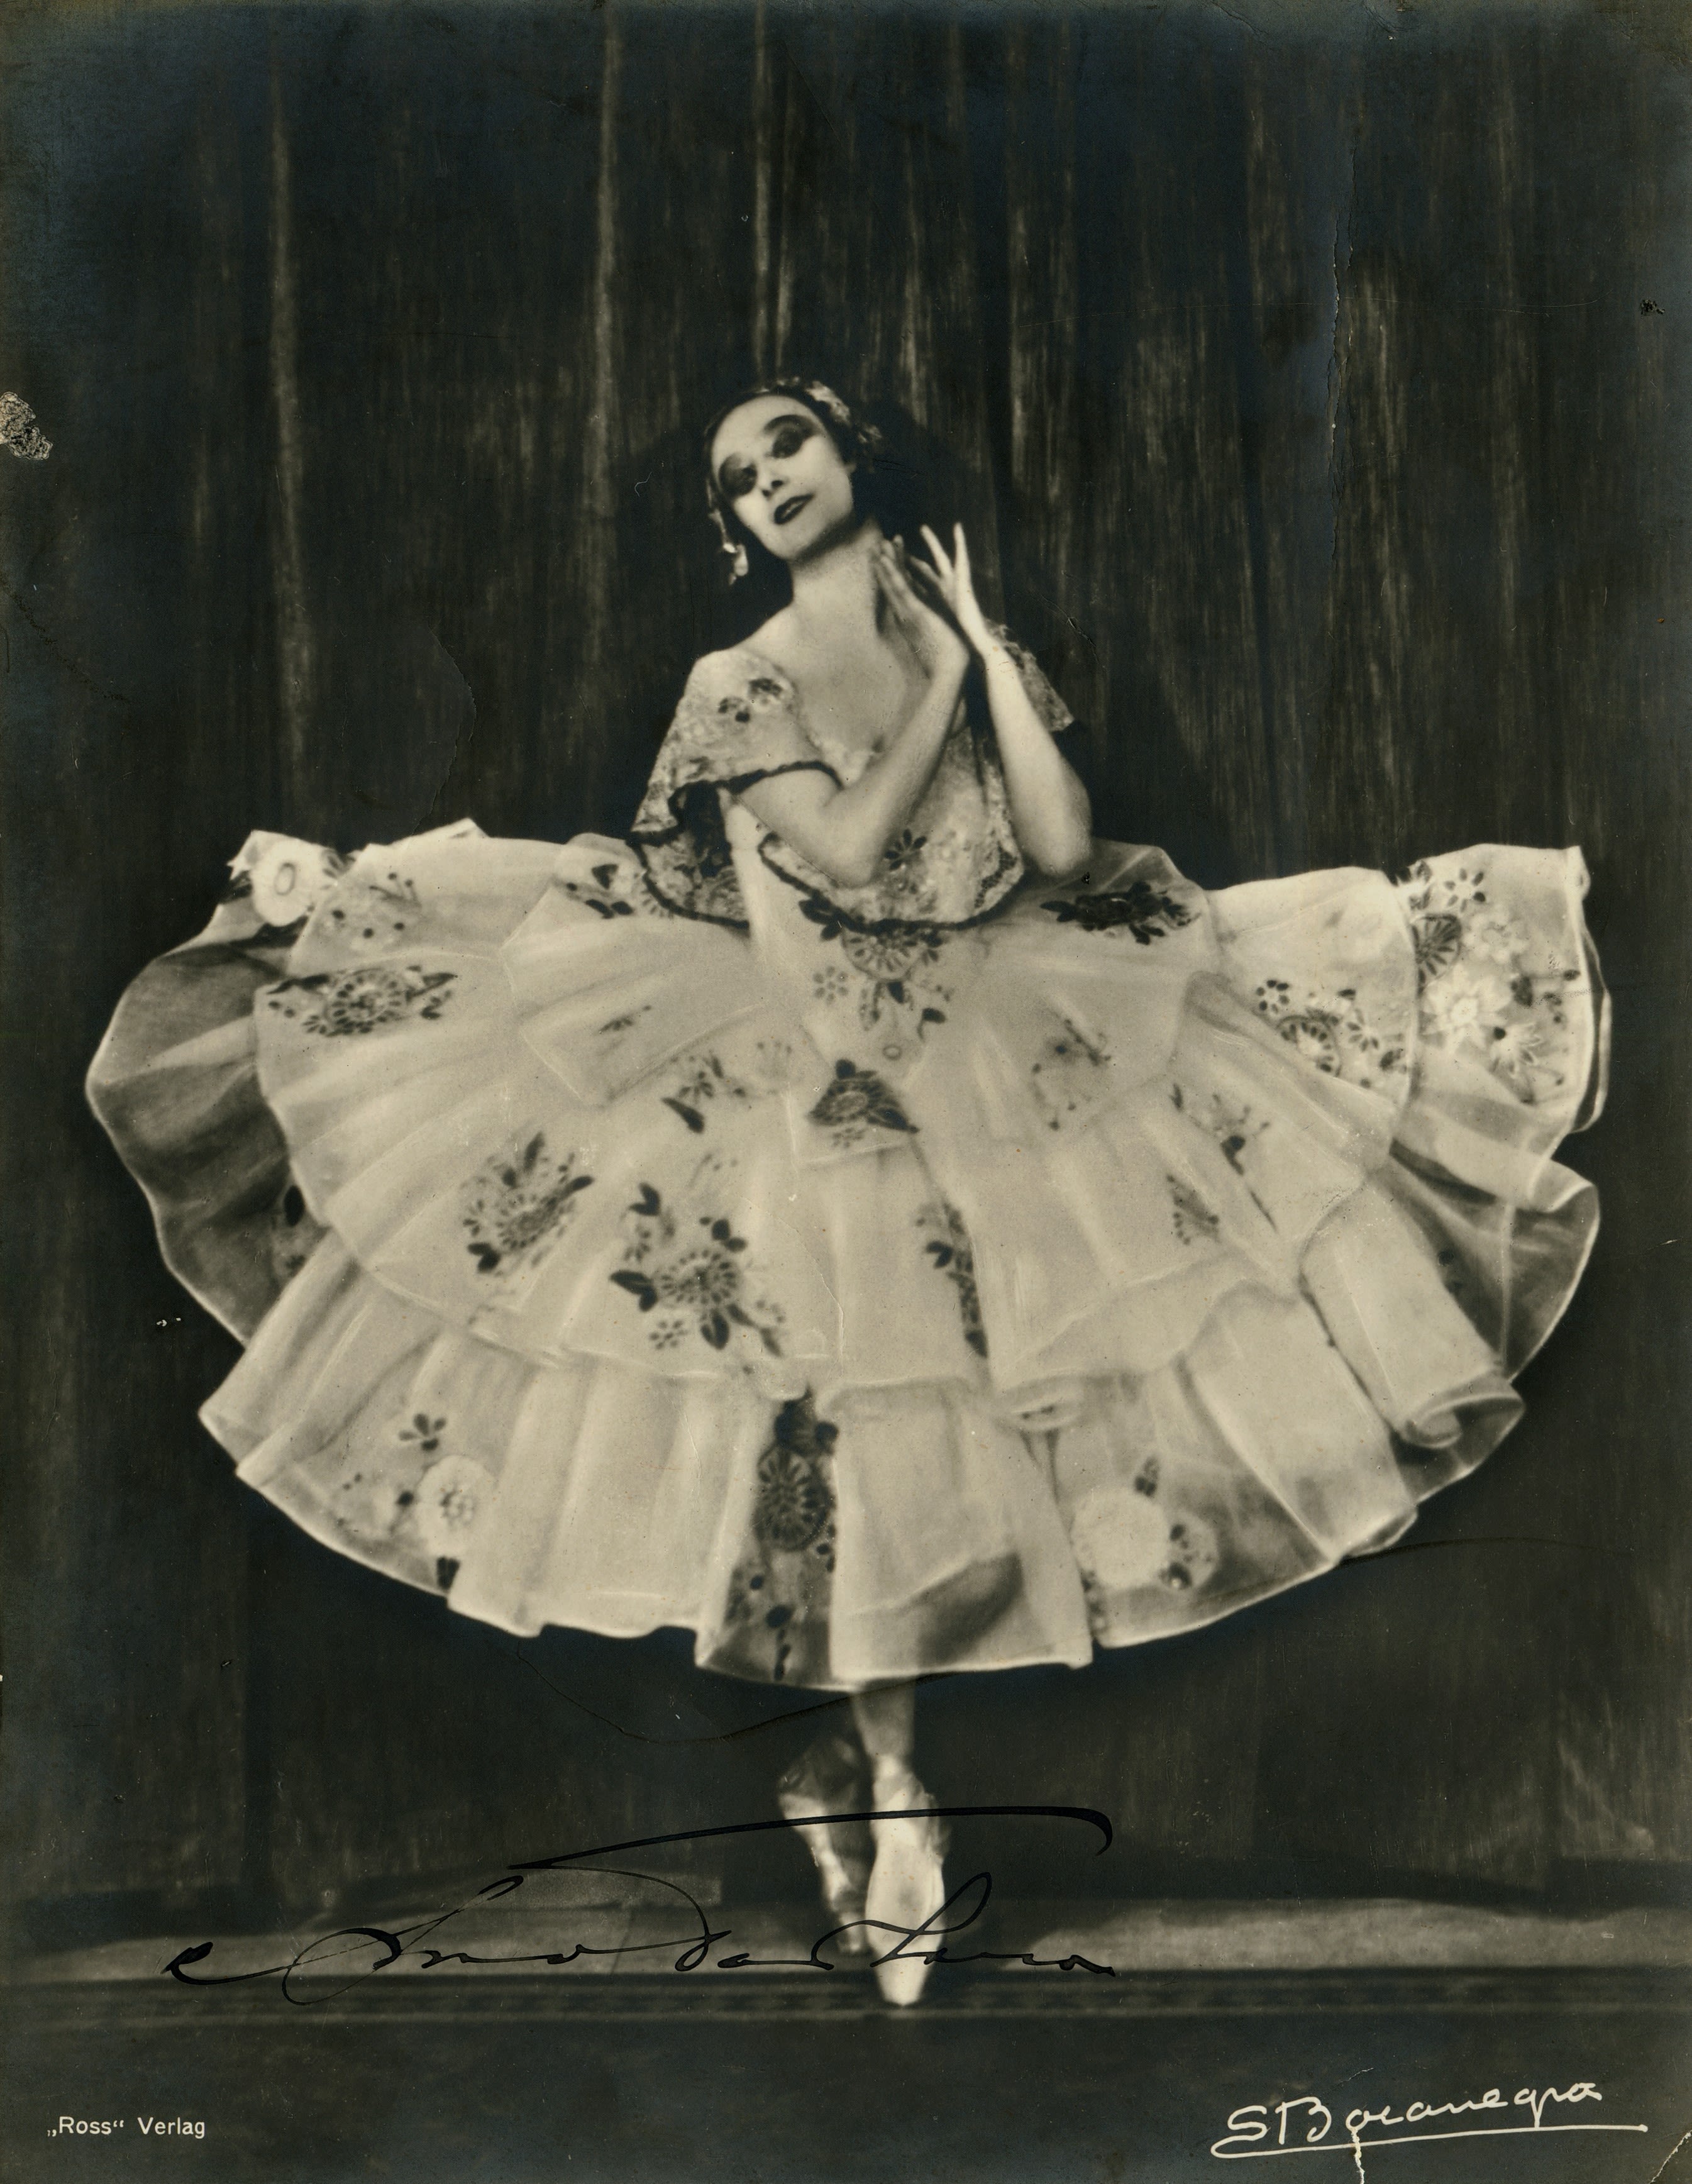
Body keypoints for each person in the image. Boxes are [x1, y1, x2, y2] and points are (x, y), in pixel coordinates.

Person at [87, 377, 1608, 2006]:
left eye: (784, 445)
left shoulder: (972, 642)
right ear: (732, 525)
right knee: (818, 1423)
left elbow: (1060, 844)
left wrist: (971, 657)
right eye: (737, 476)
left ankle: (872, 1786)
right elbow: (841, 856)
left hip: (998, 1014)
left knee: (925, 1433)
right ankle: (878, 1791)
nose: (764, 481)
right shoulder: (735, 683)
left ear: (847, 455)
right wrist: (942, 674)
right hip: (787, 1037)